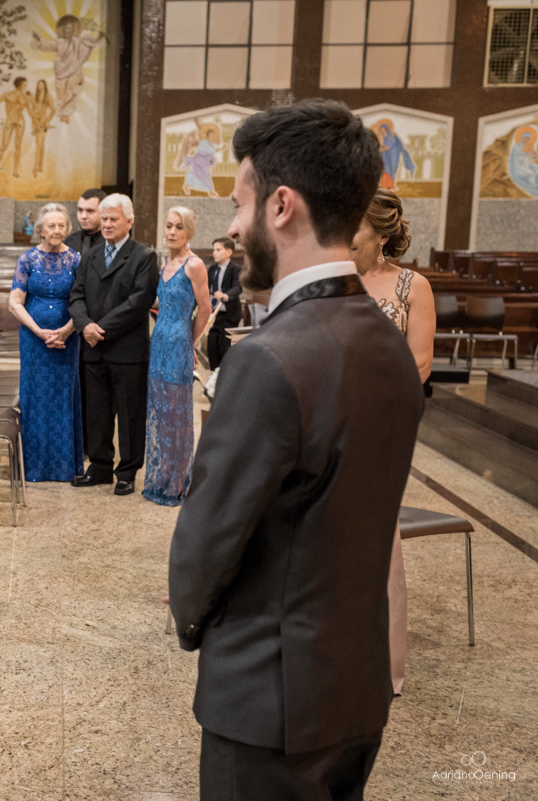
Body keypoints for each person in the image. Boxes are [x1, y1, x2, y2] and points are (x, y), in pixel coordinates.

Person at [168, 99, 424, 800]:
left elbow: (206, 542)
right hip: (356, 690)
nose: (231, 224)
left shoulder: (269, 359)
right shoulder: (388, 345)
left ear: (282, 206)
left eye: (239, 203)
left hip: (268, 701)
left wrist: (191, 622)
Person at [350, 187, 435, 697]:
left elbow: (419, 362)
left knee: (378, 542)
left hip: (380, 423)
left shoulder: (411, 286)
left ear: (380, 232)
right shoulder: (335, 281)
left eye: (352, 226)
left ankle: (382, 665)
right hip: (327, 418)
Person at [67, 193, 158, 496]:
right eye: (103, 219)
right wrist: (84, 325)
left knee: (130, 413)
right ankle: (101, 466)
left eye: (112, 219)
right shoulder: (90, 255)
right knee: (97, 411)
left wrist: (99, 328)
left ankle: (127, 471)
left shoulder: (143, 256)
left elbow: (138, 302)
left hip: (127, 349)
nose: (106, 224)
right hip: (94, 349)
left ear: (129, 221)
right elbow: (76, 295)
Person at [8, 203, 82, 482]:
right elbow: (15, 303)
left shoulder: (76, 259)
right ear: (40, 229)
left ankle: (64, 467)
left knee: (63, 397)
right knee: (35, 397)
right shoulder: (27, 259)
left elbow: (83, 301)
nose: (57, 230)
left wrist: (65, 330)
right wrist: (39, 331)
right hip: (33, 339)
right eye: (51, 225)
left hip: (67, 338)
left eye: (62, 225)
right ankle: (35, 466)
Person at [143, 207, 210, 506]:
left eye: (178, 227)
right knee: (161, 410)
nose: (171, 232)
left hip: (179, 342)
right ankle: (163, 474)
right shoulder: (165, 262)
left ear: (189, 232)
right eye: (168, 226)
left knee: (177, 414)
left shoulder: (195, 265)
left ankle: (178, 481)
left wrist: (190, 342)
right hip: (158, 342)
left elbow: (205, 309)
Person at [206, 236, 242, 373]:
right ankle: (214, 377)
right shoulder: (212, 269)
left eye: (218, 249)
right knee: (212, 345)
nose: (214, 253)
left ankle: (224, 376)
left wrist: (225, 295)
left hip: (229, 315)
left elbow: (238, 287)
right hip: (214, 315)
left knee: (224, 347)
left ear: (229, 252)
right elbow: (206, 287)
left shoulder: (235, 269)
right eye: (213, 250)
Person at [0, 77, 30, 177]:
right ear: (20, 85)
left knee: (18, 146)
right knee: (4, 145)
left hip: (20, 121)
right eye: (24, 85)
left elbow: (30, 111)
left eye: (26, 85)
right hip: (10, 121)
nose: (26, 86)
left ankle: (15, 171)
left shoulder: (25, 97)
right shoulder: (8, 94)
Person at [28, 79, 57, 177]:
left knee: (39, 145)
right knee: (39, 143)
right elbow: (35, 107)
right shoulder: (35, 96)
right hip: (35, 122)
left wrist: (47, 121)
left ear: (44, 86)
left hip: (42, 123)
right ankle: (39, 165)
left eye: (41, 85)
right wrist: (30, 99)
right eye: (38, 85)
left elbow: (53, 110)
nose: (40, 87)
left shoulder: (48, 96)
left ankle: (35, 168)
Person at [65, 189, 105, 256]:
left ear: (103, 212)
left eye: (90, 211)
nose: (83, 216)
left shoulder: (111, 244)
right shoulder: (68, 242)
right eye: (80, 210)